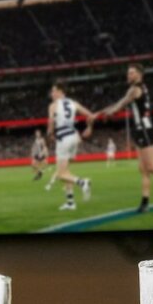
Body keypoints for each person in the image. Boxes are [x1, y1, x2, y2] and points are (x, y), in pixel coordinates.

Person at [95, 64, 153, 213]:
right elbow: (119, 103)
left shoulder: (134, 89)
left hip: (144, 130)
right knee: (143, 169)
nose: (128, 75)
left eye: (132, 73)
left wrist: (100, 114)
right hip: (140, 130)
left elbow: (119, 106)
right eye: (128, 73)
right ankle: (145, 203)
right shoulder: (139, 88)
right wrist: (101, 112)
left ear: (139, 74)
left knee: (151, 166)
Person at [47, 81, 95, 211]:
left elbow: (51, 124)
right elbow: (90, 115)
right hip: (75, 137)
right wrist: (89, 128)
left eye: (53, 90)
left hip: (63, 138)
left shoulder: (53, 105)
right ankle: (70, 202)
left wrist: (49, 136)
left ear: (60, 91)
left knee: (61, 174)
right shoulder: (74, 103)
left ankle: (82, 182)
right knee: (65, 171)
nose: (51, 93)